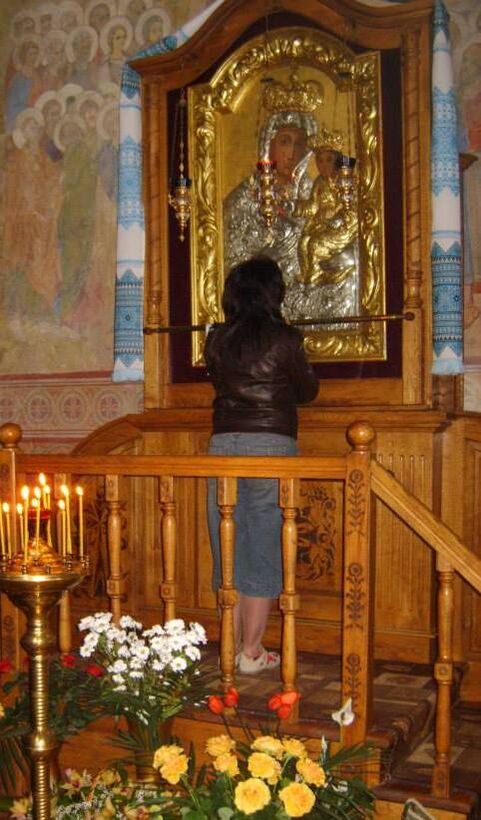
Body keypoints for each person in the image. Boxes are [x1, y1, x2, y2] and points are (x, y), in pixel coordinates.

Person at [205, 256, 318, 674]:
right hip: (271, 442)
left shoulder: (217, 338)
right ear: (274, 292)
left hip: (223, 444)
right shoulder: (286, 338)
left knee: (228, 548)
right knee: (265, 549)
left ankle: (232, 646)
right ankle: (251, 652)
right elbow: (307, 390)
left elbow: (219, 381)